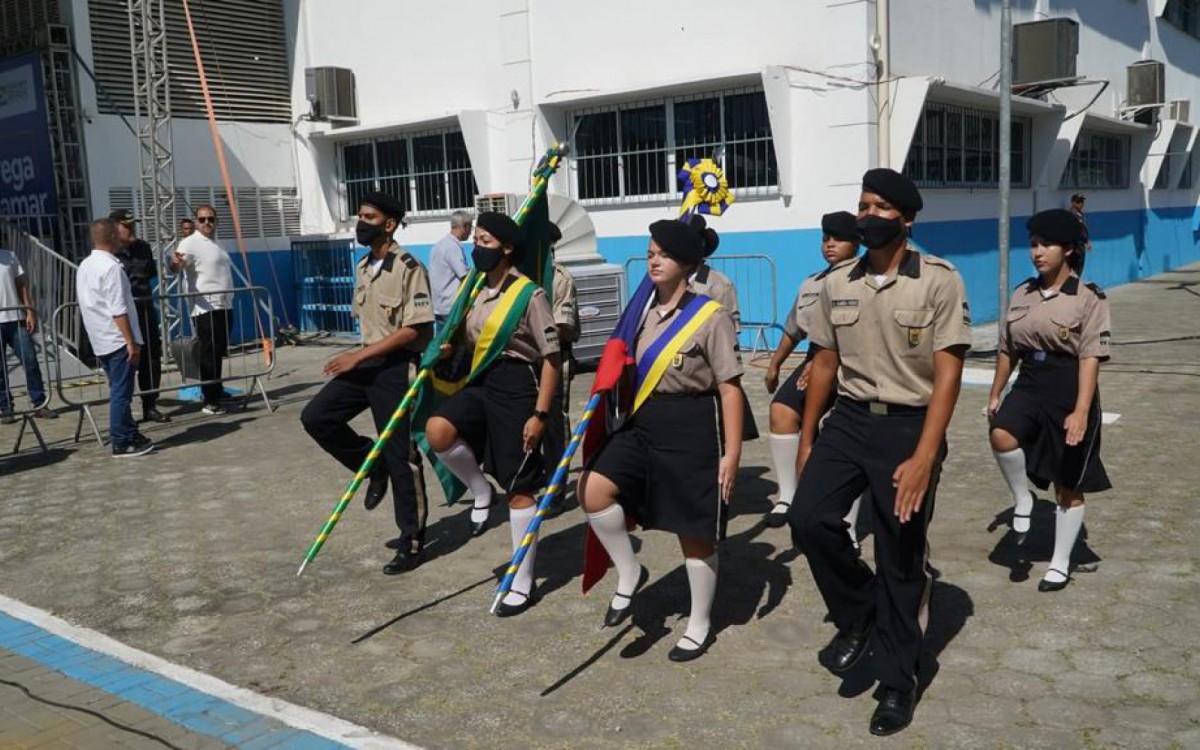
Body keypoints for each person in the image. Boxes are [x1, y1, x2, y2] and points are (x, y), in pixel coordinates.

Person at [789, 168, 971, 736]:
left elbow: (948, 375)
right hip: (847, 421)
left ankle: (899, 679)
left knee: (898, 554)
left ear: (906, 219)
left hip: (909, 426)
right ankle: (859, 612)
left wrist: (925, 455)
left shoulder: (938, 280)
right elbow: (822, 362)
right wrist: (807, 437)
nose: (867, 215)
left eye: (880, 207)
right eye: (862, 204)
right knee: (808, 518)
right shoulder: (838, 281)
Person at [578, 218, 743, 662]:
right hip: (643, 421)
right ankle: (630, 572)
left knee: (694, 532)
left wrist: (732, 453)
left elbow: (730, 387)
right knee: (593, 489)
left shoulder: (710, 315)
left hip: (692, 424)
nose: (653, 259)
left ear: (687, 264)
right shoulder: (641, 311)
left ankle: (700, 622)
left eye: (663, 254)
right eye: (650, 252)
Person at [423, 211, 561, 616]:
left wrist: (540, 414)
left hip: (520, 387)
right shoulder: (474, 288)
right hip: (481, 380)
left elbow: (553, 358)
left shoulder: (529, 295)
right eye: (476, 240)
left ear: (506, 248)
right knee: (438, 431)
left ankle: (522, 579)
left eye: (484, 242)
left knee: (519, 487)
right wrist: (447, 350)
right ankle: (480, 490)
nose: (476, 248)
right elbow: (465, 338)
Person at [301, 191, 434, 575]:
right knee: (317, 417)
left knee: (401, 455)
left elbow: (416, 329)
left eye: (369, 216)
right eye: (359, 215)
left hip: (394, 367)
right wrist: (359, 358)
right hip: (365, 364)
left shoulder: (409, 267)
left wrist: (357, 356)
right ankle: (369, 465)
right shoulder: (363, 266)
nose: (361, 223)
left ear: (389, 225)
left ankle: (411, 541)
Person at [988, 209, 1111, 592]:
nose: (1037, 252)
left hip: (1068, 386)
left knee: (1067, 484)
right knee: (1002, 434)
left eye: (1046, 244)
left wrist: (1080, 411)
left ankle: (1060, 563)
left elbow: (1090, 357)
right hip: (1030, 382)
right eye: (1034, 244)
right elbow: (1007, 349)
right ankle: (1022, 499)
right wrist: (996, 391)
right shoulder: (1023, 292)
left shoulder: (1088, 297)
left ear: (1069, 250)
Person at [762, 211, 860, 528]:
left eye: (839, 238)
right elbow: (793, 329)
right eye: (825, 238)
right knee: (782, 410)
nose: (830, 244)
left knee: (837, 428)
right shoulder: (811, 283)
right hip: (814, 359)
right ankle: (788, 495)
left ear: (857, 243)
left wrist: (824, 364)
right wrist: (775, 363)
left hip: (852, 361)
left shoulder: (863, 281)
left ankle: (846, 518)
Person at [77, 219, 154, 457]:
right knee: (122, 392)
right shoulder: (111, 267)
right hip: (116, 338)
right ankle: (121, 440)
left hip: (101, 338)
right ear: (112, 237)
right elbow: (118, 308)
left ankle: (129, 431)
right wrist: (130, 341)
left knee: (119, 388)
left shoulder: (86, 265)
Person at [170, 204, 234, 415]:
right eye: (203, 219)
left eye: (211, 219)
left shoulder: (218, 243)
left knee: (219, 351)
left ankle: (216, 388)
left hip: (225, 304)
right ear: (197, 222)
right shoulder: (189, 243)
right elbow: (177, 268)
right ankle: (210, 400)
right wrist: (175, 264)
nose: (207, 223)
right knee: (208, 352)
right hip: (205, 307)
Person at [111, 210, 169, 423]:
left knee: (152, 357)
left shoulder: (143, 248)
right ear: (115, 228)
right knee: (124, 360)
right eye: (127, 225)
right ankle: (123, 411)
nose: (132, 228)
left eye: (133, 224)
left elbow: (149, 275)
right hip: (122, 313)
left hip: (144, 308)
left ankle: (150, 405)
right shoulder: (109, 253)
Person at [543, 221, 579, 512]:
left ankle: (555, 488)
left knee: (555, 423)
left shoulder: (559, 278)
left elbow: (564, 326)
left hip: (555, 357)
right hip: (522, 360)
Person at [0, 246, 56, 424]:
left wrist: (29, 310)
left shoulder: (9, 255)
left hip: (15, 317)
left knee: (30, 360)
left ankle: (39, 403)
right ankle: (5, 407)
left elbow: (22, 284)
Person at [429, 210, 473, 327]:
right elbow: (464, 275)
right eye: (470, 227)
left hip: (439, 306)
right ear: (465, 226)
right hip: (451, 306)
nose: (470, 232)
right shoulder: (452, 247)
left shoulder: (439, 245)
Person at [1068, 193, 1092, 270]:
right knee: (1077, 266)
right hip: (1076, 245)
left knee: (1079, 266)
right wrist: (1086, 241)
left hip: (1080, 244)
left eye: (1082, 202)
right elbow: (1079, 230)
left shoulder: (1079, 214)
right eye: (1079, 202)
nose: (1081, 204)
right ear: (1073, 203)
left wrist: (1086, 240)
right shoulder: (1073, 214)